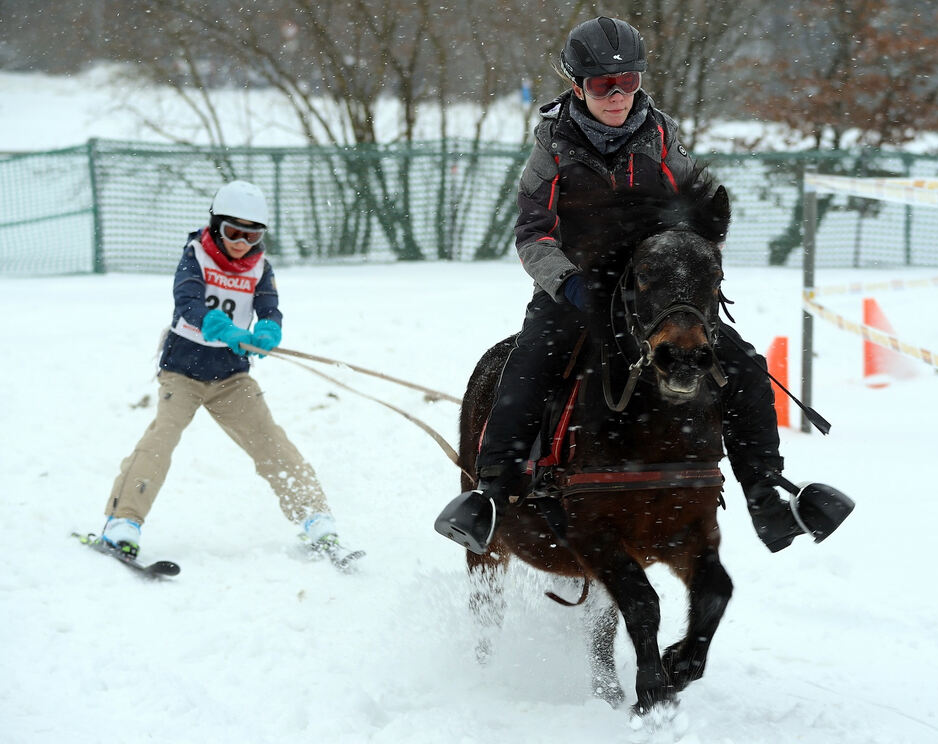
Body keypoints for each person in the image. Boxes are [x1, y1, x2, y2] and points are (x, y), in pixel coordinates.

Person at [437, 17, 829, 555]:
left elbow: (695, 220)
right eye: (603, 85)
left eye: (629, 82)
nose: (618, 96)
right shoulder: (551, 149)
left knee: (743, 364)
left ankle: (765, 495)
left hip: (653, 294)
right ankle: (490, 498)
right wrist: (570, 284)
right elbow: (533, 236)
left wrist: (690, 274)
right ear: (577, 87)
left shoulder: (663, 140)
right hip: (572, 292)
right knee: (527, 368)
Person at [97, 179, 347, 559]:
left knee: (270, 442)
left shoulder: (260, 266)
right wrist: (217, 325)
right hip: (182, 372)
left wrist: (268, 328)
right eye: (234, 233)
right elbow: (187, 302)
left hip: (231, 376)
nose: (242, 244)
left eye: (253, 235)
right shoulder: (196, 254)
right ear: (216, 224)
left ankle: (316, 518)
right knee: (161, 440)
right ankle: (123, 521)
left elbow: (269, 307)